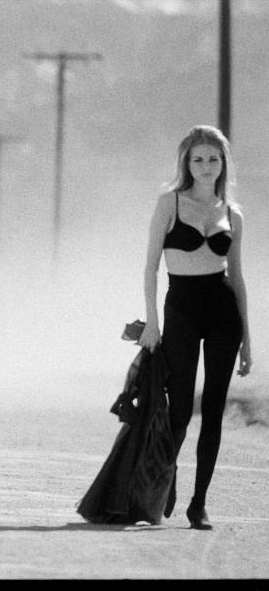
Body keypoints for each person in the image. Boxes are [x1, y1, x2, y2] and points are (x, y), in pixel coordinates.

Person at [139, 124, 251, 530]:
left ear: (223, 163)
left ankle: (198, 503)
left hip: (223, 313)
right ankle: (166, 480)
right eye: (198, 159)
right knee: (181, 409)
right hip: (181, 311)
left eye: (213, 159)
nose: (206, 166)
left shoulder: (232, 213)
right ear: (186, 163)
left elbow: (237, 278)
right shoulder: (170, 202)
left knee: (215, 410)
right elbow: (150, 267)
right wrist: (152, 323)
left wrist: (248, 341)